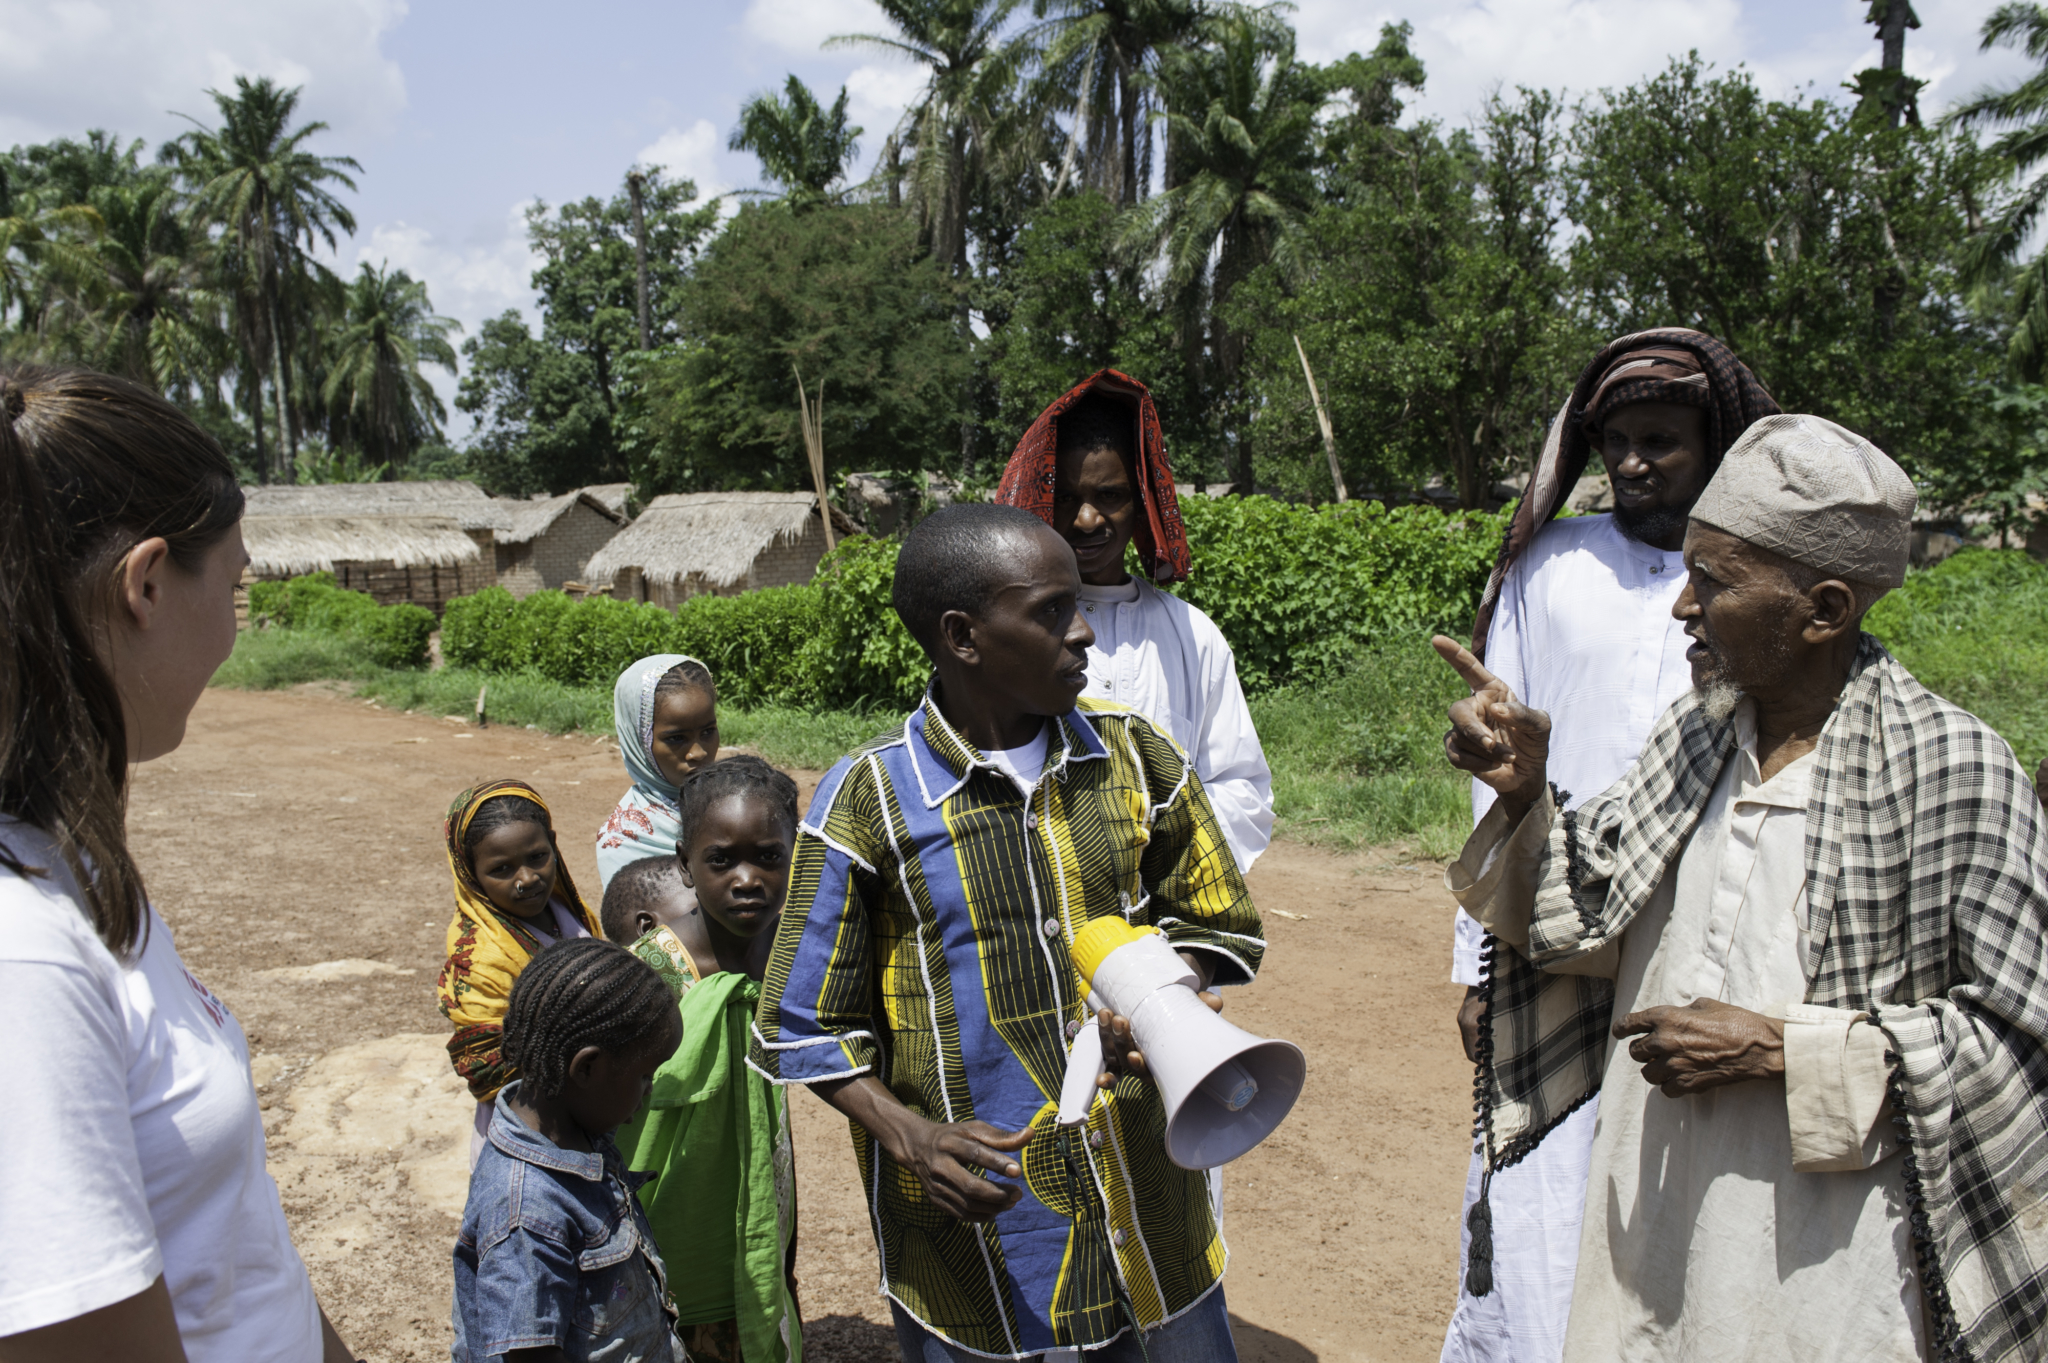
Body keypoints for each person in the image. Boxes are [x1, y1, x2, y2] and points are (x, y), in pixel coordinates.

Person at [1437, 414, 2048, 1362]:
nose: (1683, 606)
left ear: (1826, 608)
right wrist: (1525, 796)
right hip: (1650, 1214)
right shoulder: (1697, 733)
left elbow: (2019, 1041)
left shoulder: (1954, 768)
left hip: (1825, 1262)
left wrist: (1781, 1051)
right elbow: (1588, 912)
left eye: (1714, 582)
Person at [750, 503, 1264, 1362]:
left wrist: (1165, 987)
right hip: (985, 1255)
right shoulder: (867, 801)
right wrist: (910, 1135)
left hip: (1154, 1215)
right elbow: (803, 1023)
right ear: (964, 635)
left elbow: (1214, 913)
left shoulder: (1135, 753)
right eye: (1052, 610)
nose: (1086, 633)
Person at [0, 364, 356, 1361]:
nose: (235, 625)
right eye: (233, 582)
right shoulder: (24, 955)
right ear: (147, 583)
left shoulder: (75, 865)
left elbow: (240, 1254)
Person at [1441, 329, 1780, 1363]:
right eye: (1616, 441)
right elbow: (1489, 769)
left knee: (1684, 1177)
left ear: (1714, 444)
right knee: (1540, 1184)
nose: (1632, 461)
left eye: (1660, 441)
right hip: (1550, 917)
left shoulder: (1757, 585)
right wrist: (1472, 960)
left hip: (1703, 924)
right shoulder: (1547, 568)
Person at [996, 369, 1273, 874]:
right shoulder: (1006, 633)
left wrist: (1167, 860)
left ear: (1141, 506)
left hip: (1168, 914)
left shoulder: (1192, 635)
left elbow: (1240, 787)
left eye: (1110, 497)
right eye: (1065, 500)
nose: (1086, 520)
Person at [607, 757, 804, 1363]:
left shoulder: (793, 951)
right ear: (686, 863)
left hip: (758, 1222)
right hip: (665, 1233)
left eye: (768, 856)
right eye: (722, 860)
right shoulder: (645, 976)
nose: (748, 879)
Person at [452, 937, 685, 1363]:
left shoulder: (574, 1126)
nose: (648, 1092)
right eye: (645, 1076)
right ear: (587, 1068)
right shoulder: (526, 1213)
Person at [439, 780, 604, 1165]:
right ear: (469, 874)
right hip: (529, 1141)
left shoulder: (567, 912)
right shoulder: (480, 957)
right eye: (501, 869)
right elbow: (484, 1068)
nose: (527, 878)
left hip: (591, 1116)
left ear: (554, 844)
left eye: (537, 857)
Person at [597, 655, 720, 890]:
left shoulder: (740, 800)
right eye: (676, 738)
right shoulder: (624, 839)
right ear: (639, 741)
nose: (698, 753)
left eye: (708, 732)